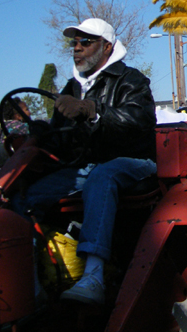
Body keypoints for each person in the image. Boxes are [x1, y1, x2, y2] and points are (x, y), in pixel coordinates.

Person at [13, 18, 156, 305]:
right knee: (22, 193)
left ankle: (93, 275)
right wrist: (42, 135)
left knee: (103, 175)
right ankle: (27, 278)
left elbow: (139, 122)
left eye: (85, 42)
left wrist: (93, 110)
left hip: (135, 161)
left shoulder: (131, 80)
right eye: (74, 43)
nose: (76, 49)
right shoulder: (72, 86)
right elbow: (64, 139)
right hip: (87, 165)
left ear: (106, 46)